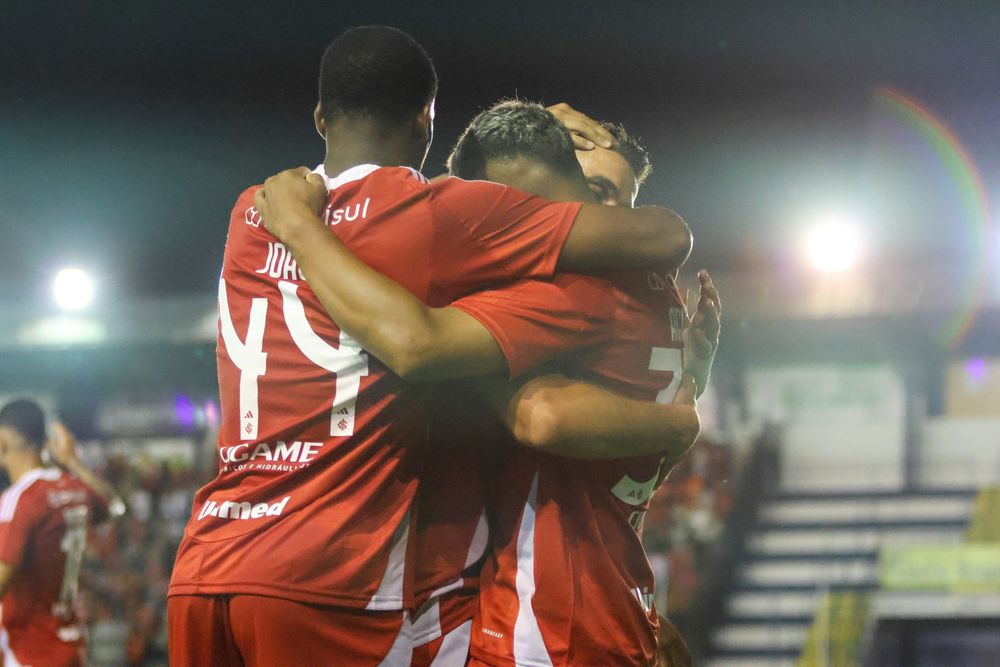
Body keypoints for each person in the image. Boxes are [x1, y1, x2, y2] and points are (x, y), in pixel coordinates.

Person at [168, 26, 694, 666]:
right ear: (426, 118)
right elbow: (661, 237)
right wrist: (679, 420)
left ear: (318, 115)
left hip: (210, 559)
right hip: (335, 573)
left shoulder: (254, 208)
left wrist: (521, 136)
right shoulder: (442, 218)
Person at [0, 399, 122, 667]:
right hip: (70, 644)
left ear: (3, 444)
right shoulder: (72, 487)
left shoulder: (20, 498)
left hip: (28, 651)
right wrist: (73, 462)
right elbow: (112, 505)